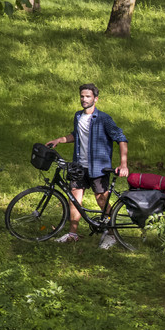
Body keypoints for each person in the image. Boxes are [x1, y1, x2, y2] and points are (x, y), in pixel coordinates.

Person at [44, 83, 129, 248]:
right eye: (82, 96)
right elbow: (77, 134)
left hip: (98, 167)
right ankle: (72, 234)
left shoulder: (104, 118)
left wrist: (123, 163)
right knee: (74, 200)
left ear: (95, 99)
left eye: (88, 96)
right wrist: (59, 140)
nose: (84, 99)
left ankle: (112, 235)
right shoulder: (78, 116)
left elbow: (121, 138)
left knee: (101, 200)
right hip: (79, 167)